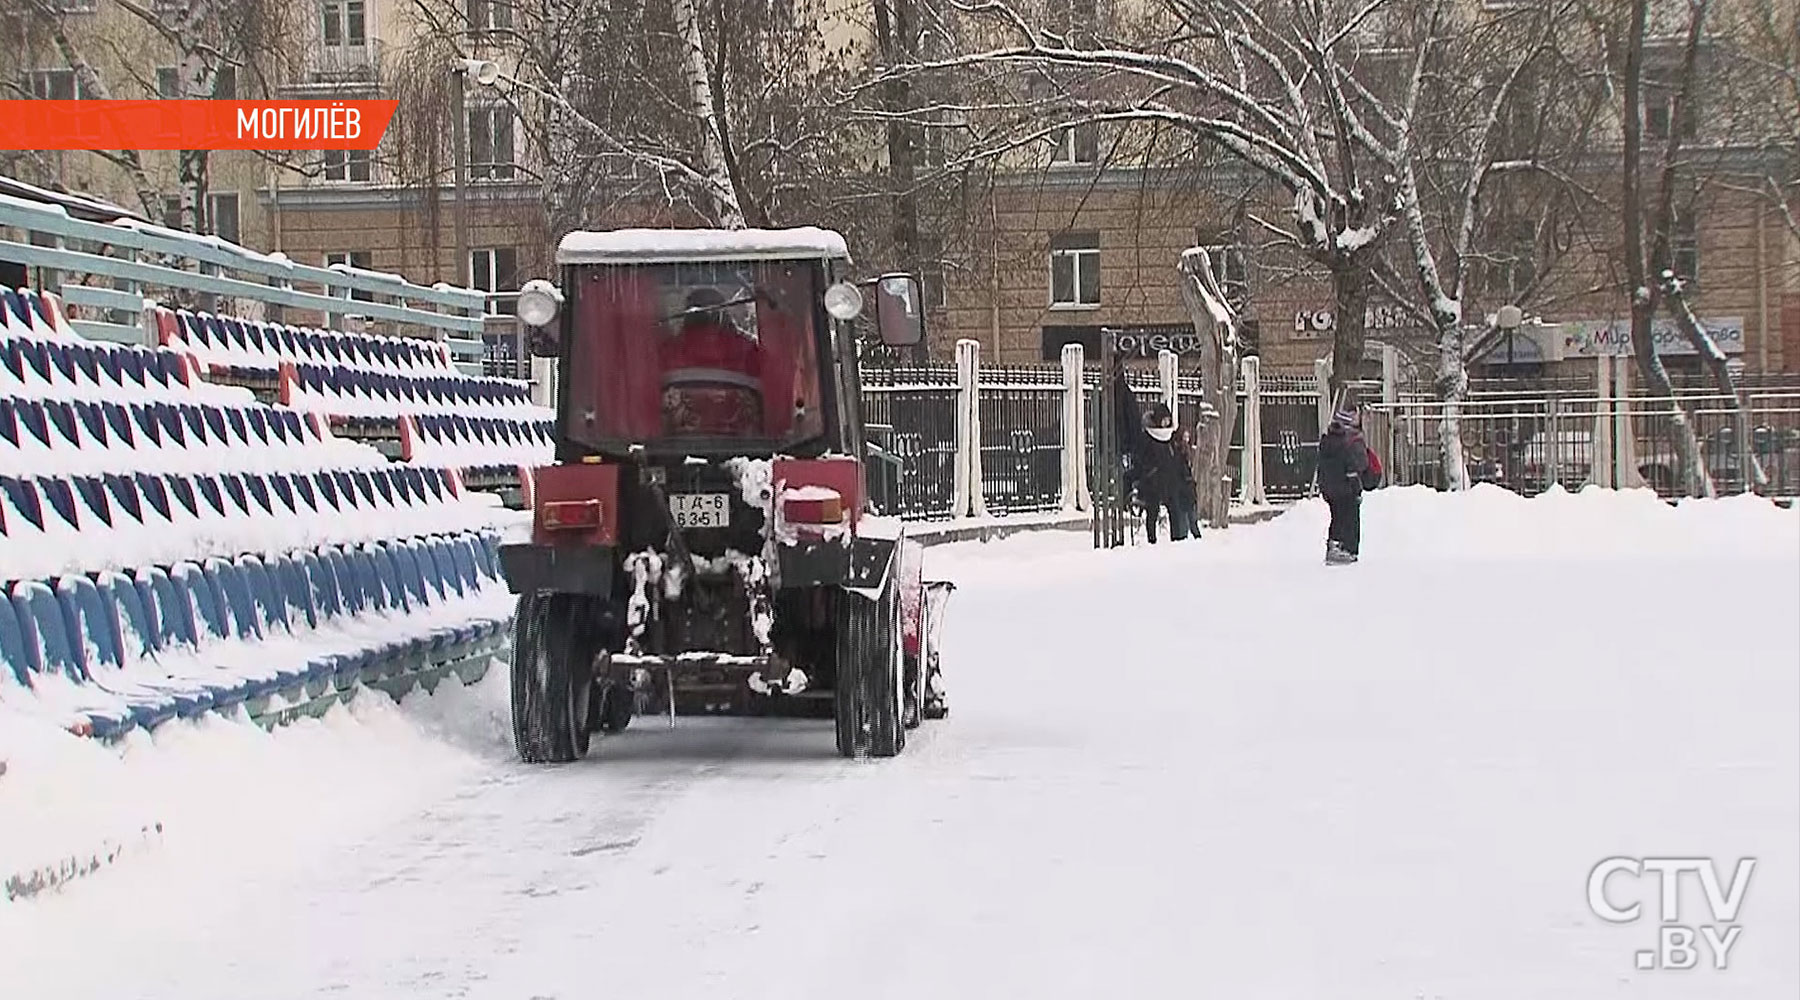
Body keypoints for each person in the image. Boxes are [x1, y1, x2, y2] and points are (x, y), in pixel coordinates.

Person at [659, 286, 765, 436]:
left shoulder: (667, 351)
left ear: (687, 316)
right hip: (743, 447)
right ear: (723, 315)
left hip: (676, 444)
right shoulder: (748, 350)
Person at [1316, 402, 1374, 563]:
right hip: (1346, 487)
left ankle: (1334, 545)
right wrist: (1357, 488)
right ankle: (1347, 549)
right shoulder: (1351, 441)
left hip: (1329, 487)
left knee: (1337, 516)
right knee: (1349, 518)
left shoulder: (1329, 440)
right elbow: (1355, 466)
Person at [1135, 403, 1198, 543]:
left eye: (1168, 419)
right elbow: (1142, 458)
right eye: (1163, 419)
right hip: (1154, 482)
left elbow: (1176, 457)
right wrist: (1150, 471)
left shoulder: (1170, 437)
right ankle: (1152, 539)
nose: (1166, 422)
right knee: (1152, 510)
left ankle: (1176, 537)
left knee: (1174, 509)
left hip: (1170, 480)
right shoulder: (1148, 437)